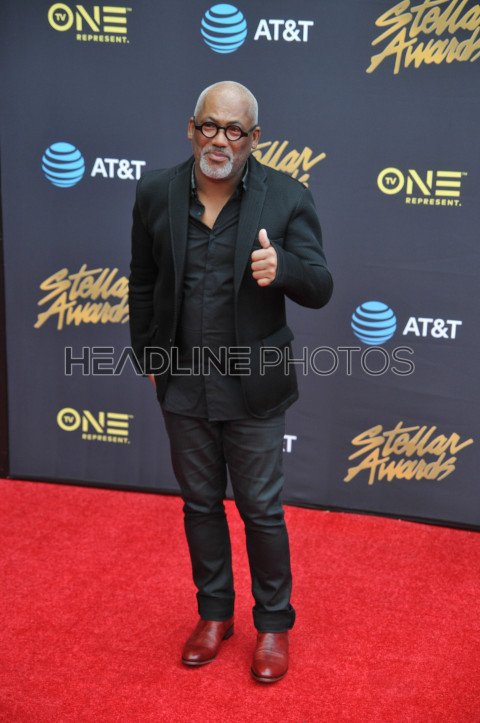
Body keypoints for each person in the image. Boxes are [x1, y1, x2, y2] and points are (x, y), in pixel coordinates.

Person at [128, 80, 333, 683]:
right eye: (210, 126)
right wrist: (149, 356)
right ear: (192, 129)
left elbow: (321, 286)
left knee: (261, 509)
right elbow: (142, 279)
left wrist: (284, 267)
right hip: (183, 382)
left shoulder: (287, 197)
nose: (220, 140)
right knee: (199, 505)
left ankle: (273, 624)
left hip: (254, 386)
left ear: (254, 138)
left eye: (234, 130)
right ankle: (214, 614)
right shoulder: (155, 192)